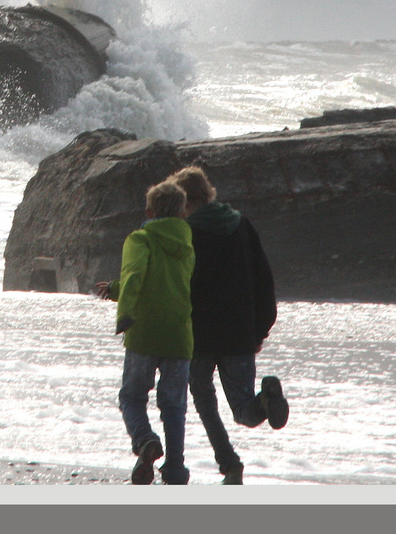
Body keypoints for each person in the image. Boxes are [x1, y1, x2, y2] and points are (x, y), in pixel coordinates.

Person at [171, 164, 287, 485]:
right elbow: (264, 280)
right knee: (243, 410)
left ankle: (230, 464)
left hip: (200, 335)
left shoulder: (187, 233)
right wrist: (261, 329)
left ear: (183, 200)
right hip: (239, 333)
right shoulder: (241, 225)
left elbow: (179, 287)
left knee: (203, 398)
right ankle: (266, 401)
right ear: (207, 191)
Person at [112, 178, 196, 485]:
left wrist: (124, 313)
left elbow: (136, 276)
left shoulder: (141, 238)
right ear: (183, 213)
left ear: (149, 210)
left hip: (144, 331)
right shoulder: (187, 244)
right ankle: (174, 468)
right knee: (174, 405)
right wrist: (113, 290)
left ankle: (145, 442)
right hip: (179, 335)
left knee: (132, 397)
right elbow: (170, 283)